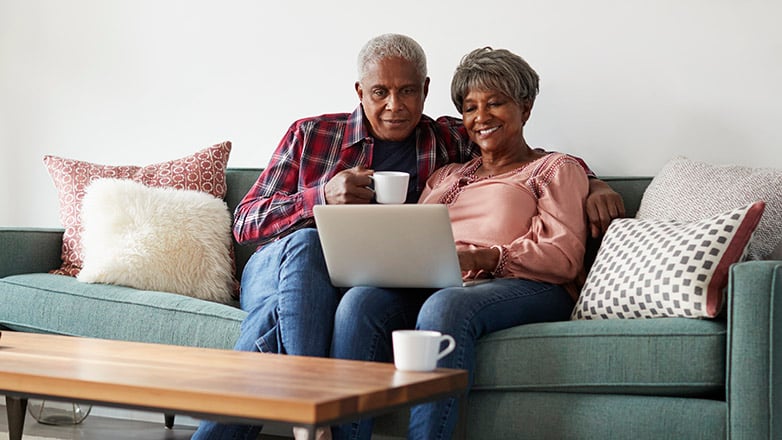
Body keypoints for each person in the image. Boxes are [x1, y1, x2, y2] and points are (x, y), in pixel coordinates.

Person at [191, 34, 623, 440]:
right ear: (360, 92)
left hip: (422, 280)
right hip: (280, 265)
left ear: (425, 89)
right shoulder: (313, 135)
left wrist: (596, 185)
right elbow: (245, 222)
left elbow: (536, 163)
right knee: (309, 245)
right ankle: (312, 398)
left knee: (349, 303)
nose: (395, 105)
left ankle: (316, 421)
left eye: (408, 92)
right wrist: (320, 195)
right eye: (380, 92)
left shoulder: (446, 142)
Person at [330, 47, 589, 440]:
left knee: (446, 305)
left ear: (526, 108)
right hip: (442, 279)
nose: (481, 117)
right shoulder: (446, 175)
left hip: (528, 285)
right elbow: (412, 236)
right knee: (359, 301)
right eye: (470, 108)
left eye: (496, 104)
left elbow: (564, 257)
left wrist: (484, 256)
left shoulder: (553, 169)